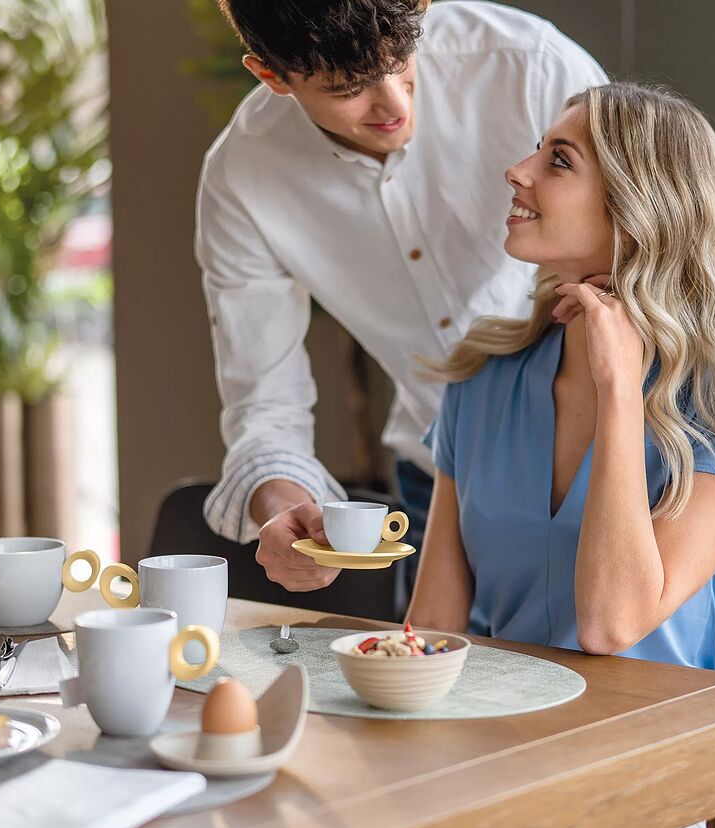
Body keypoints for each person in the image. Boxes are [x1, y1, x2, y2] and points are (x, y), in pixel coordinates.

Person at [408, 82, 715, 828]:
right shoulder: (481, 378)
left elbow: (611, 622)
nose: (516, 170)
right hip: (484, 765)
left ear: (636, 209)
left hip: (650, 792)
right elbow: (435, 624)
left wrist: (617, 392)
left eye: (557, 160)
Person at [196, 0, 606, 603]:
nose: (395, 105)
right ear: (272, 76)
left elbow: (650, 243)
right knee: (433, 686)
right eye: (347, 90)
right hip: (436, 477)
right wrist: (284, 505)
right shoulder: (244, 178)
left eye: (402, 64)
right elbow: (265, 407)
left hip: (600, 459)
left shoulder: (533, 67)